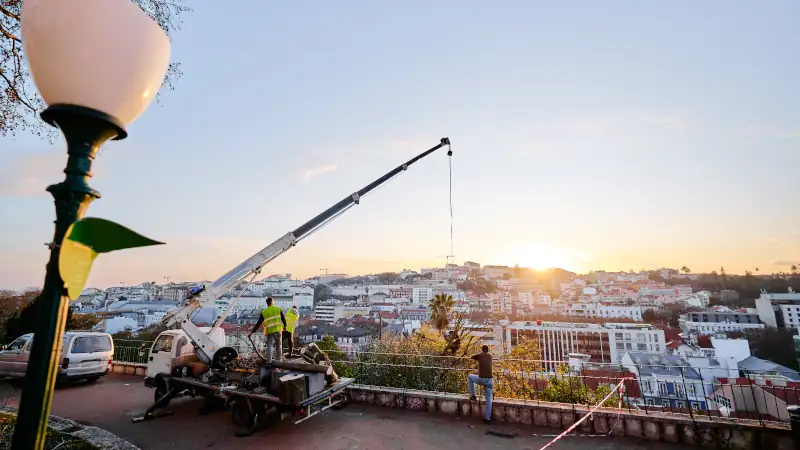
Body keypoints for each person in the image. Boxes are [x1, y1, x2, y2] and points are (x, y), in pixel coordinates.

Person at [249, 296, 285, 364]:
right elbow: (283, 319)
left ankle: (269, 362)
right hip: (278, 330)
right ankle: (279, 361)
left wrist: (252, 332)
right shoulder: (278, 309)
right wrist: (285, 326)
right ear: (272, 302)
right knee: (279, 346)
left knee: (270, 346)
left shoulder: (264, 311)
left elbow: (258, 323)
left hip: (270, 331)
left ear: (267, 303)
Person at [468, 345, 494, 423]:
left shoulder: (480, 355)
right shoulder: (490, 356)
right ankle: (487, 418)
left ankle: (473, 395)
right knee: (489, 399)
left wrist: (478, 356)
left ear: (482, 350)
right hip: (489, 380)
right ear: (488, 350)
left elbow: (471, 357)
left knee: (470, 376)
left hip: (481, 379)